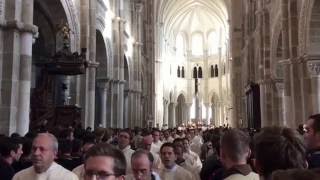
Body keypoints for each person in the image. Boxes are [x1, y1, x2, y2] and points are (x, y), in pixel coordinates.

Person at [13, 133, 78, 180]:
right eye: (34, 149)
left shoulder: (68, 178)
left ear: (54, 154)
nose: (36, 153)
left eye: (42, 149)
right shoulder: (19, 177)